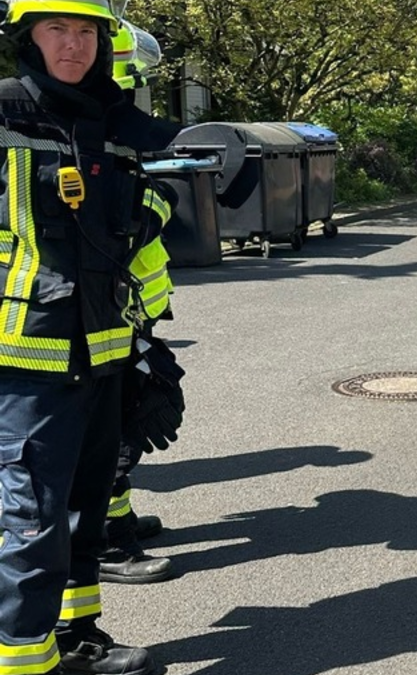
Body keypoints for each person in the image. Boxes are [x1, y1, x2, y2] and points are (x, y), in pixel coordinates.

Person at [0, 1, 183, 674]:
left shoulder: (111, 126)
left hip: (104, 346)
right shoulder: (5, 117)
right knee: (32, 520)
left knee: (85, 504)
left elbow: (139, 229)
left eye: (85, 31)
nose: (72, 44)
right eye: (57, 29)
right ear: (29, 37)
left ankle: (78, 634)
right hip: (27, 352)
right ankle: (23, 660)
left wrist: (145, 350)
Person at [98, 13, 182, 587]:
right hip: (95, 311)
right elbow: (112, 227)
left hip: (124, 308)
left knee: (125, 416)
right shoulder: (84, 129)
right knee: (111, 428)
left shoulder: (109, 128)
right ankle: (107, 541)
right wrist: (155, 206)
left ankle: (118, 519)